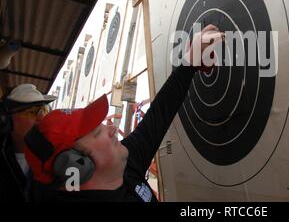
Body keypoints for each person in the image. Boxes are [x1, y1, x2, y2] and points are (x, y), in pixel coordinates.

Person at [24, 25, 224, 202]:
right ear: (76, 167)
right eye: (97, 133)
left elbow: (159, 114)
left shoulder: (123, 165)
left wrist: (189, 62)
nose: (111, 129)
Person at [0, 84, 56, 202]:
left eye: (44, 111)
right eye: (32, 112)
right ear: (7, 120)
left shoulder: (56, 155)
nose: (41, 118)